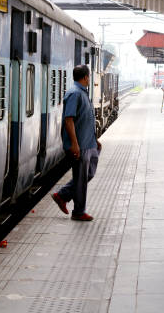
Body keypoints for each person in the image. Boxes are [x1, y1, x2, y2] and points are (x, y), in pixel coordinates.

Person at [51, 65, 101, 221]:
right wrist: (74, 144)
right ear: (86, 77)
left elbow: (85, 118)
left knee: (89, 173)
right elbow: (69, 119)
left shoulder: (83, 93)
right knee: (80, 178)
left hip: (89, 143)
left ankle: (62, 195)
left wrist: (95, 139)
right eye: (89, 76)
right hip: (80, 145)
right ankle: (78, 211)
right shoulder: (74, 94)